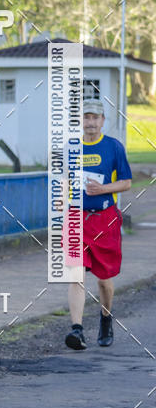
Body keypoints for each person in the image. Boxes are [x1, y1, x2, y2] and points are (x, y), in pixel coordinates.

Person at [65, 99, 132, 351]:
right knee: (76, 275)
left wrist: (102, 189)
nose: (90, 122)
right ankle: (77, 329)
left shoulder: (113, 147)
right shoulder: (70, 148)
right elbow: (62, 181)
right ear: (80, 121)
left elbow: (126, 182)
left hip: (105, 219)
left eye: (95, 117)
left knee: (104, 280)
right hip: (76, 219)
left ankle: (105, 317)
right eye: (86, 117)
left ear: (103, 120)